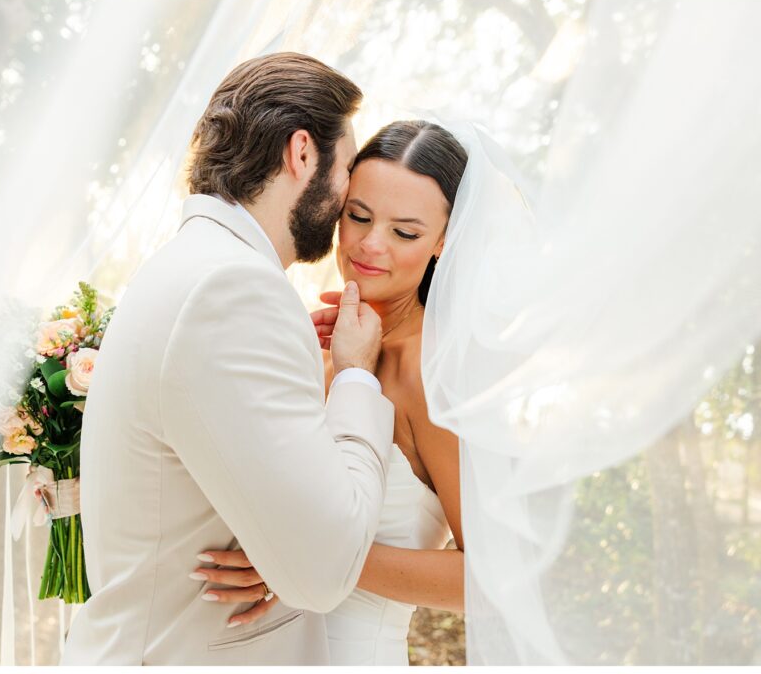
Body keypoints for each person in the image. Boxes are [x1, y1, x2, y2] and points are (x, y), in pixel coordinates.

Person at [59, 52, 396, 665]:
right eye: (346, 167)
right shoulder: (233, 289)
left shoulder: (188, 267)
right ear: (302, 153)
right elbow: (322, 572)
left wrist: (276, 552)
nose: (349, 197)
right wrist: (353, 378)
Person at [190, 120, 469, 665]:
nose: (370, 244)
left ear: (444, 242)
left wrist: (299, 556)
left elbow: (487, 582)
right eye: (357, 216)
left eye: (405, 233)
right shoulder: (316, 342)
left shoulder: (431, 373)